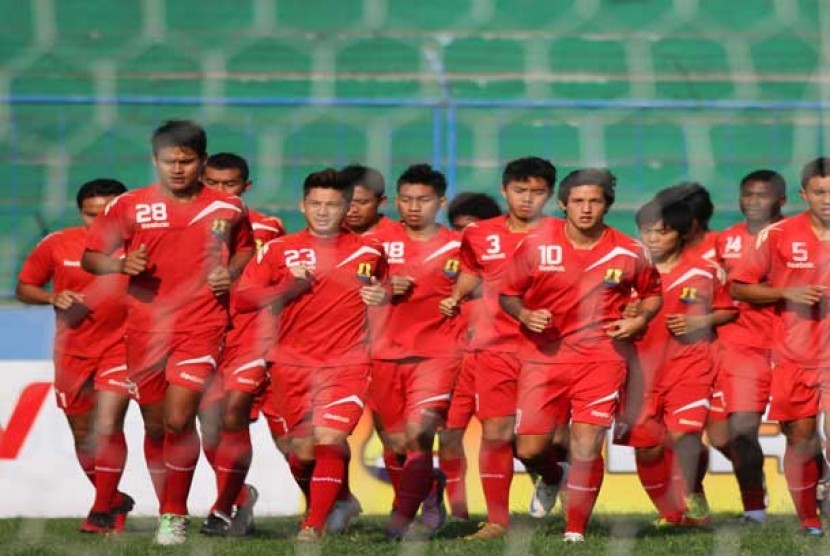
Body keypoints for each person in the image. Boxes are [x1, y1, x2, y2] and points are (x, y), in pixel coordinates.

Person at [82, 120, 254, 545]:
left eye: (186, 161)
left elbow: (247, 246)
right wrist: (120, 265)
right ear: (154, 160)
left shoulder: (227, 208)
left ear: (202, 161)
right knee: (156, 426)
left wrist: (228, 273)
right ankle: (166, 508)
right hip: (145, 330)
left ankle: (174, 516)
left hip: (201, 325)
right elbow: (91, 257)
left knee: (179, 418)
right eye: (167, 161)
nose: (177, 169)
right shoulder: (130, 206)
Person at [500, 168, 662, 542]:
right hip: (543, 359)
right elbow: (509, 293)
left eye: (595, 201)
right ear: (562, 204)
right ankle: (553, 474)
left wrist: (640, 321)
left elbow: (653, 293)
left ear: (607, 205)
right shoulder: (536, 244)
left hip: (601, 359)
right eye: (578, 201)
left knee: (587, 442)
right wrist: (525, 314)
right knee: (528, 447)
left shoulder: (630, 251)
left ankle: (575, 531)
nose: (586, 209)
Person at [235, 168, 387, 542]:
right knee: (301, 454)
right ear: (303, 205)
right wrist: (288, 285)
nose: (323, 211)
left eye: (333, 204)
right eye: (316, 204)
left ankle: (311, 528)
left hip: (347, 363)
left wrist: (381, 297)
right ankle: (342, 499)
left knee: (330, 440)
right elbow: (241, 299)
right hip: (290, 364)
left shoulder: (369, 250)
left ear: (347, 207)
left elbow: (383, 292)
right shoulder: (278, 250)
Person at [439, 158, 561, 539]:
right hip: (493, 348)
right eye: (520, 190)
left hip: (548, 350)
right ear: (505, 190)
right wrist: (457, 294)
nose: (528, 199)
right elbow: (471, 270)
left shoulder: (564, 233)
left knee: (531, 447)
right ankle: (497, 521)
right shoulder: (479, 234)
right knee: (495, 432)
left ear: (550, 194)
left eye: (537, 191)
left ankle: (554, 474)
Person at [16, 178, 135, 534]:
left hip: (124, 347)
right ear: (80, 213)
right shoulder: (56, 244)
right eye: (90, 214)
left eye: (109, 214)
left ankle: (99, 510)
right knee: (83, 434)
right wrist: (51, 297)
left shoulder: (146, 244)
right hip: (73, 351)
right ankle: (114, 500)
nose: (100, 222)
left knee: (107, 424)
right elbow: (25, 287)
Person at [618, 198, 736, 527]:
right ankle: (671, 515)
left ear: (682, 234)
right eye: (647, 231)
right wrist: (624, 315)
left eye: (663, 232)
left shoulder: (705, 270)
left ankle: (693, 487)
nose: (653, 238)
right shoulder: (624, 271)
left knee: (682, 435)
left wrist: (703, 321)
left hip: (690, 366)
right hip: (638, 372)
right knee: (647, 449)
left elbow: (729, 309)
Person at [730, 157, 830, 536]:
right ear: (804, 194)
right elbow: (740, 287)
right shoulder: (777, 235)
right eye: (820, 192)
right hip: (793, 356)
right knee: (801, 438)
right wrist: (786, 291)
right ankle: (809, 519)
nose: (827, 199)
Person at [369, 163, 465, 540]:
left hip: (437, 355)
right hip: (382, 353)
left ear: (440, 202)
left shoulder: (459, 246)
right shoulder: (376, 241)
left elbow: (483, 289)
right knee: (394, 443)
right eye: (406, 199)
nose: (413, 207)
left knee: (417, 435)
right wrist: (383, 286)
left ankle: (398, 522)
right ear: (396, 200)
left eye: (423, 200)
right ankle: (429, 489)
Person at [198, 152, 285, 536]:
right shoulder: (187, 224)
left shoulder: (269, 228)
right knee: (210, 426)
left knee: (233, 414)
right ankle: (238, 498)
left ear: (245, 187)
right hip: (200, 333)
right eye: (212, 183)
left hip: (252, 335)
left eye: (229, 183)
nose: (220, 191)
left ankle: (220, 509)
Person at [713, 170, 786, 523]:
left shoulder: (799, 237)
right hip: (740, 347)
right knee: (737, 432)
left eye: (763, 196)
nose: (754, 203)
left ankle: (818, 491)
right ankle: (754, 509)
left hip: (794, 346)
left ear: (782, 201)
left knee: (802, 432)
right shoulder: (725, 240)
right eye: (748, 195)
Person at [438, 190, 503, 522]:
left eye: (474, 226)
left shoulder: (509, 259)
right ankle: (459, 514)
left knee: (519, 443)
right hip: (455, 363)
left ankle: (548, 477)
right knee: (448, 437)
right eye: (460, 227)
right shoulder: (446, 259)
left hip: (499, 361)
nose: (467, 233)